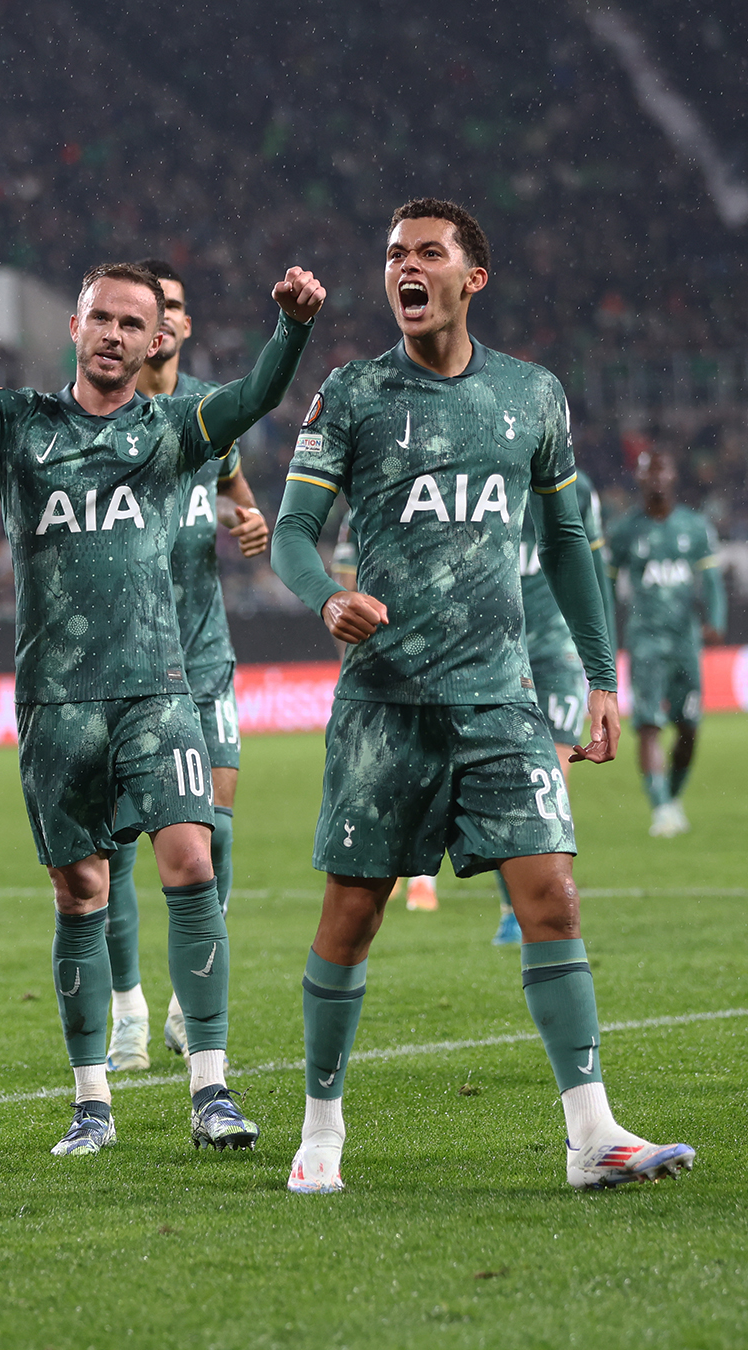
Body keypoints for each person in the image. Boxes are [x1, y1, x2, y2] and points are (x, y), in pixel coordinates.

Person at [271, 197, 695, 1194]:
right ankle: (321, 1129)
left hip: (500, 702)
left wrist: (598, 675)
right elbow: (293, 530)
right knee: (353, 917)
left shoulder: (533, 396)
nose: (403, 268)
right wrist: (326, 596)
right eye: (392, 254)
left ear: (473, 279)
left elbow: (567, 545)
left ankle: (592, 1135)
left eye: (426, 253)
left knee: (551, 898)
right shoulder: (357, 392)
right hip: (386, 705)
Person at [0, 260, 324, 1156]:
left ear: (155, 342)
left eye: (129, 323)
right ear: (74, 328)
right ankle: (91, 1099)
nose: (112, 333)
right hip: (57, 701)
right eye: (98, 317)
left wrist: (291, 327)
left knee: (190, 859)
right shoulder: (22, 423)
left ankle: (211, 1086)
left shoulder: (176, 429)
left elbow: (256, 396)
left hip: (157, 688)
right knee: (81, 892)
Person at [102, 259, 269, 1074]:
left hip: (204, 654)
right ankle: (126, 1005)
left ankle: (182, 1000)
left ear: (183, 325)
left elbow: (235, 483)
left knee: (219, 826)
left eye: (170, 307)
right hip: (125, 660)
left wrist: (248, 514)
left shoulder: (210, 414)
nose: (158, 321)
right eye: (145, 309)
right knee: (120, 844)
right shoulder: (107, 415)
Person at [491, 469, 616, 944]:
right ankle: (512, 903)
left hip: (557, 650)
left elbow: (595, 579)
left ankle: (549, 896)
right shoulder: (485, 471)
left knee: (549, 774)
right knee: (509, 779)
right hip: (498, 650)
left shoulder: (578, 491)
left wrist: (607, 674)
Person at [606, 448, 726, 837]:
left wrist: (716, 621)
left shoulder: (694, 526)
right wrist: (604, 630)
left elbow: (710, 579)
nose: (656, 480)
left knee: (689, 727)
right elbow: (605, 583)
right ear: (639, 480)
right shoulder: (625, 531)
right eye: (648, 474)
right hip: (644, 642)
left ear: (673, 477)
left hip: (685, 641)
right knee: (648, 725)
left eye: (662, 472)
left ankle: (671, 798)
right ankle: (660, 808)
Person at [331, 510, 440, 913]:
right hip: (376, 661)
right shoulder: (357, 516)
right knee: (380, 772)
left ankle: (422, 882)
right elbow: (344, 582)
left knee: (422, 769)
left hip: (429, 658)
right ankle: (385, 869)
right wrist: (352, 665)